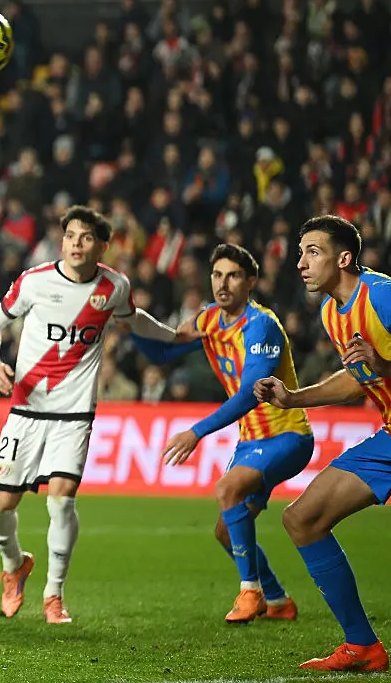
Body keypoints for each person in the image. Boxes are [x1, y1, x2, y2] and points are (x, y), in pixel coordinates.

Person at [0, 206, 190, 623]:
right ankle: (13, 565)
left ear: (102, 246)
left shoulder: (114, 286)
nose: (75, 243)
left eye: (85, 237)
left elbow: (136, 322)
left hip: (74, 414)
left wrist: (177, 335)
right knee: (2, 505)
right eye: (70, 235)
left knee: (61, 502)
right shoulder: (35, 281)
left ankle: (54, 594)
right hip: (27, 408)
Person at [131, 244, 312, 623]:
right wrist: (127, 319)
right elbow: (164, 351)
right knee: (226, 532)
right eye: (216, 275)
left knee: (227, 489)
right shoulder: (209, 318)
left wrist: (196, 432)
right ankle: (278, 601)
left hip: (286, 435)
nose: (222, 283)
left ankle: (251, 593)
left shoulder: (261, 324)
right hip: (251, 440)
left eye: (232, 275)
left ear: (251, 282)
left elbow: (250, 394)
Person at [254, 215, 390, 672]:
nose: (301, 263)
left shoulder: (382, 295)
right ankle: (361, 646)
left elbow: (378, 366)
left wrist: (386, 363)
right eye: (301, 252)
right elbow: (357, 380)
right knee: (303, 518)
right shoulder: (333, 311)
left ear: (344, 258)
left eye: (313, 251)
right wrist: (295, 398)